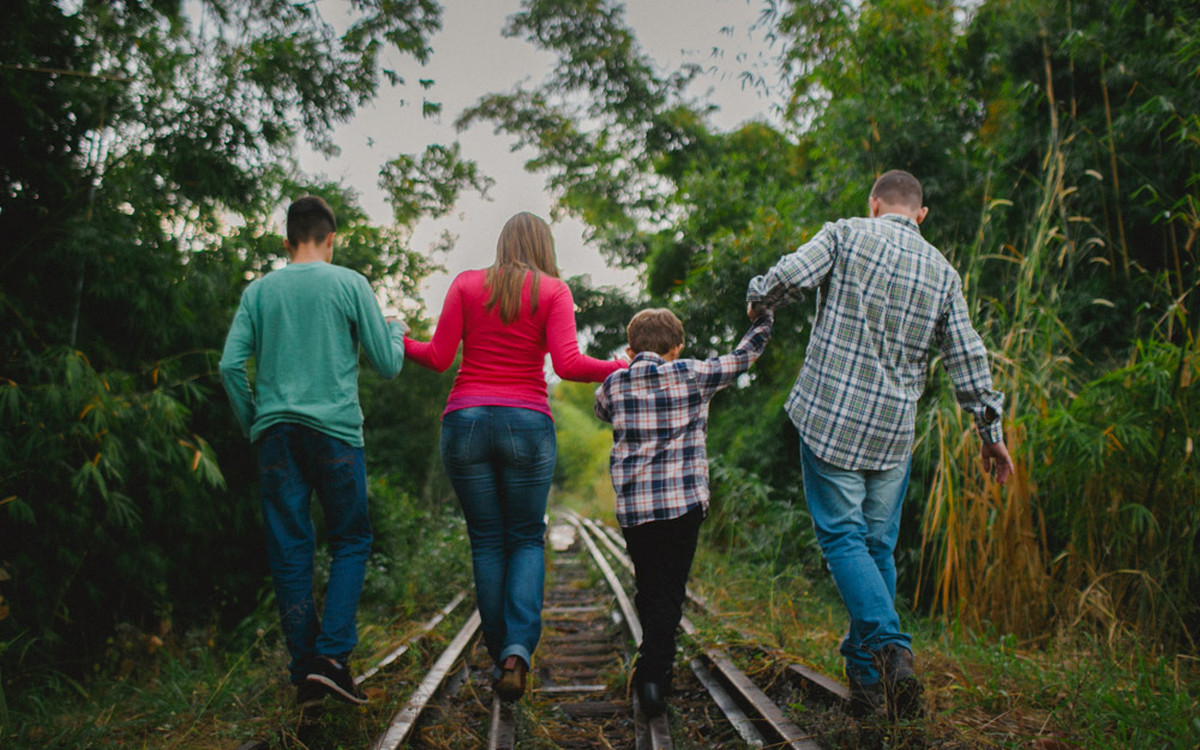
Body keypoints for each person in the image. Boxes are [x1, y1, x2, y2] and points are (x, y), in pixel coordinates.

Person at [745, 170, 1015, 720]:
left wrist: (759, 301)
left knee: (844, 540)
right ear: (921, 214)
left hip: (832, 419)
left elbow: (787, 278)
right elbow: (968, 355)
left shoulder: (846, 233)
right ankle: (868, 677)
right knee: (876, 548)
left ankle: (892, 647)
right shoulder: (942, 271)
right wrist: (990, 433)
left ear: (874, 205)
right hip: (892, 431)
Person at [403, 211, 625, 701]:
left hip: (464, 422)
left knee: (486, 540)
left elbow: (439, 358)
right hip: (525, 422)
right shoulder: (553, 291)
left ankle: (497, 647)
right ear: (544, 247)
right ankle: (516, 652)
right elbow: (567, 365)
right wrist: (618, 367)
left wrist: (399, 342)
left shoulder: (465, 285)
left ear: (502, 242)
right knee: (526, 537)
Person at [219, 195, 407, 707]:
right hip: (337, 433)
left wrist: (254, 422)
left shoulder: (259, 292)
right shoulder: (349, 284)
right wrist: (395, 329)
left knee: (290, 549)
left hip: (276, 433)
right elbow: (388, 365)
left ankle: (305, 668)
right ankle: (331, 659)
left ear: (286, 242)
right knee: (349, 539)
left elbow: (229, 367)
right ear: (331, 239)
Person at [594, 308, 773, 717]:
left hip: (636, 510)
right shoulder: (692, 374)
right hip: (683, 507)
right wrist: (763, 317)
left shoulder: (614, 384)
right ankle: (654, 676)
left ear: (630, 348)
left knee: (649, 585)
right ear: (677, 348)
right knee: (670, 591)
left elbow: (601, 410)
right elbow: (744, 356)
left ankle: (651, 663)